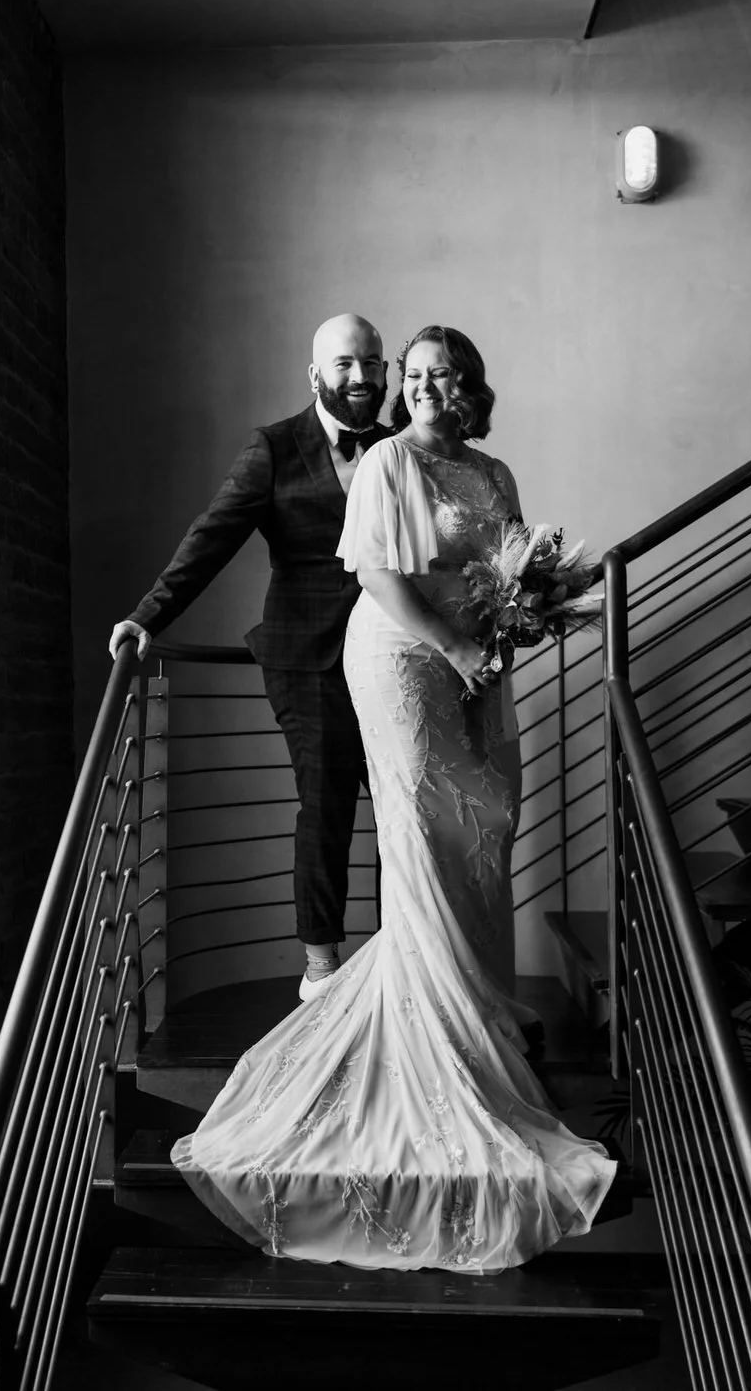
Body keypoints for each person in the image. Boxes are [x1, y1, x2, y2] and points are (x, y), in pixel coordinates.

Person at [171, 324, 616, 1273]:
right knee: (416, 826)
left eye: (433, 374)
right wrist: (455, 646)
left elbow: (507, 565)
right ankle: (437, 1019)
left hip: (477, 664)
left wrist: (514, 621)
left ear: (465, 386)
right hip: (404, 659)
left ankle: (479, 992)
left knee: (486, 821)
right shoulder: (381, 465)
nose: (414, 387)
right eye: (405, 374)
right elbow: (374, 572)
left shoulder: (491, 473)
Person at [108, 314, 390, 999]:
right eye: (345, 363)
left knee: (404, 808)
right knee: (324, 809)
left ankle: (404, 961)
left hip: (392, 658)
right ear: (315, 373)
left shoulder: (398, 446)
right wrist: (149, 616)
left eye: (372, 363)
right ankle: (321, 968)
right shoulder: (274, 448)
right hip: (307, 659)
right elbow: (212, 538)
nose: (360, 377)